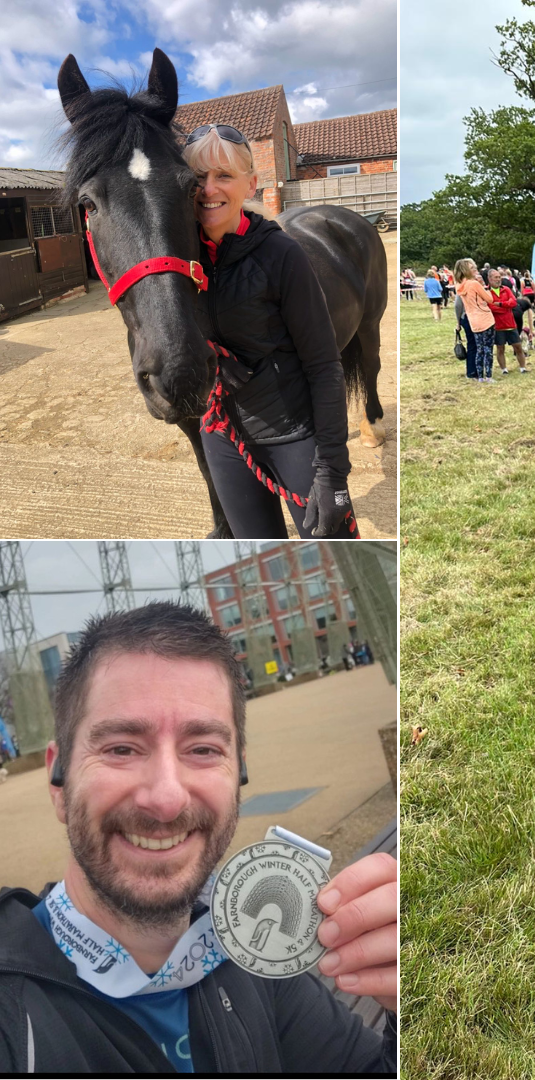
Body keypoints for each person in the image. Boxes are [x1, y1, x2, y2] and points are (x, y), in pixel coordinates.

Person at [0, 603, 397, 1072]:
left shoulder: (250, 955)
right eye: (121, 748)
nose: (166, 798)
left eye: (203, 749)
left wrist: (406, 1016)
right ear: (58, 780)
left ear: (239, 773)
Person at [182, 125, 356, 540]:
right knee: (263, 560)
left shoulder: (281, 255)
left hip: (292, 431)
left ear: (251, 184)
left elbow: (324, 363)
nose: (208, 189)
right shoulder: (178, 261)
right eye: (197, 178)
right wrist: (209, 354)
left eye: (223, 175)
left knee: (339, 558)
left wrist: (332, 470)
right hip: (222, 434)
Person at [455, 259, 495, 382]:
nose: (475, 270)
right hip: (484, 318)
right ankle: (488, 376)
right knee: (487, 349)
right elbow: (490, 299)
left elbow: (458, 304)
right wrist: (484, 286)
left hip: (472, 319)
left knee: (477, 349)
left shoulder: (461, 286)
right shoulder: (474, 284)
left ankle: (478, 375)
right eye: (472, 268)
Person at [487, 270, 529, 375]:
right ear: (490, 279)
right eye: (496, 277)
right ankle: (504, 369)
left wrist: (500, 304)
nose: (498, 279)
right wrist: (506, 306)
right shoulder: (487, 292)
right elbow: (491, 307)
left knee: (518, 346)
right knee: (500, 348)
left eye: (499, 277)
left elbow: (514, 302)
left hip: (510, 324)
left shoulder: (506, 289)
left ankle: (523, 367)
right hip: (498, 326)